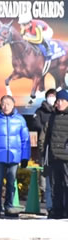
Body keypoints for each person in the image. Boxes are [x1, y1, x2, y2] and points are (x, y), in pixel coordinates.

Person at [0, 95, 31, 218]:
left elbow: (25, 140)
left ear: (13, 105)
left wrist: (25, 157)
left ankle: (9, 206)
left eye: (8, 104)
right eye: (3, 104)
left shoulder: (20, 120)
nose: (6, 106)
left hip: (14, 158)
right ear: (0, 105)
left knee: (11, 183)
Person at [39, 88, 68, 219]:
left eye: (62, 100)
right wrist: (44, 152)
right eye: (58, 101)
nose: (59, 103)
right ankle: (57, 211)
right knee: (56, 186)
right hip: (54, 157)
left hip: (66, 158)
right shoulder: (52, 117)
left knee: (67, 185)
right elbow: (45, 137)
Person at [33, 89, 56, 214]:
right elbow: (36, 124)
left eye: (54, 96)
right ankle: (44, 196)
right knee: (44, 173)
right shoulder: (40, 111)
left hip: (58, 150)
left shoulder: (58, 113)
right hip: (45, 147)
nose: (51, 98)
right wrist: (46, 130)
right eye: (50, 96)